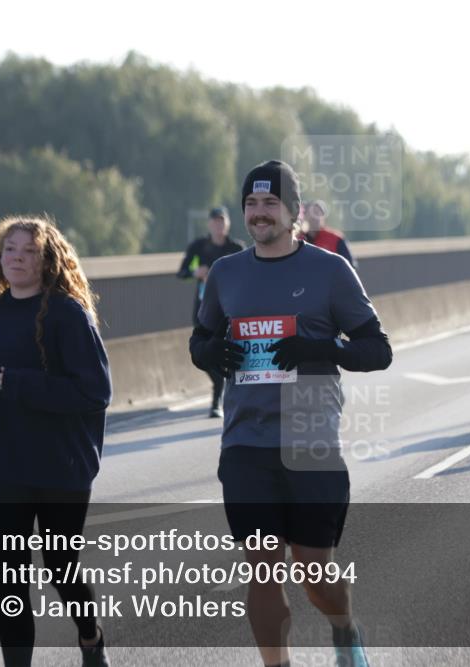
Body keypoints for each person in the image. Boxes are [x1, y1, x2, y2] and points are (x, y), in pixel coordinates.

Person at [189, 160, 392, 667]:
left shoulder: (329, 271)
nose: (259, 214)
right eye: (251, 205)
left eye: (270, 204)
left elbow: (377, 349)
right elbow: (200, 339)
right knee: (262, 568)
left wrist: (322, 348)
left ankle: (344, 628)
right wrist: (211, 354)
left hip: (310, 436)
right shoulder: (226, 273)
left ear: (294, 211)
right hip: (245, 442)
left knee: (315, 574)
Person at [0, 215, 113, 667]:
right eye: (9, 250)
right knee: (12, 576)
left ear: (47, 261)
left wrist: (19, 383)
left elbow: (96, 392)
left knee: (60, 568)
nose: (16, 258)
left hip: (61, 465)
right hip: (4, 462)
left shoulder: (67, 313)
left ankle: (90, 635)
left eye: (27, 251)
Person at [177, 206, 245, 417]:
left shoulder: (236, 247)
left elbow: (248, 274)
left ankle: (221, 400)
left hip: (230, 310)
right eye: (215, 221)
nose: (219, 225)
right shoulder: (199, 246)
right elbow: (181, 272)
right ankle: (219, 391)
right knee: (202, 351)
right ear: (209, 224)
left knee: (227, 350)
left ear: (228, 224)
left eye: (222, 221)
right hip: (204, 309)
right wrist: (195, 272)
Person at [299, 199, 356, 267]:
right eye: (312, 213)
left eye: (318, 213)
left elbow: (350, 266)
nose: (315, 218)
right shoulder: (298, 240)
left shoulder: (336, 239)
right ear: (304, 216)